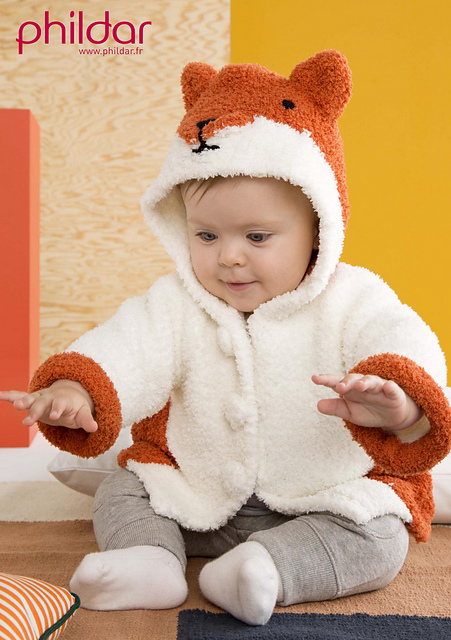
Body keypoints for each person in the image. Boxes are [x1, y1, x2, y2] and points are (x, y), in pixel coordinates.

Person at [1, 50, 450, 626]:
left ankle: (267, 569)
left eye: (257, 237)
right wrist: (77, 389)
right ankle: (150, 561)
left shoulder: (353, 298)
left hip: (321, 498)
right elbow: (127, 349)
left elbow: (405, 339)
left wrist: (399, 399)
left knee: (383, 534)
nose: (229, 257)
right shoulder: (177, 302)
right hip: (198, 496)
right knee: (126, 488)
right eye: (207, 235)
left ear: (319, 229)